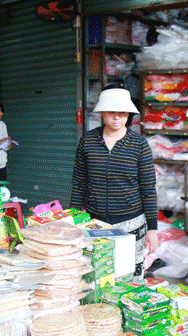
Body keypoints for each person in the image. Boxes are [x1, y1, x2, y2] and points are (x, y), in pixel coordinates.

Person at [70, 87, 158, 278]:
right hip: (96, 223)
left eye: (122, 113)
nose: (117, 118)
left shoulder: (139, 144)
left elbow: (148, 188)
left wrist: (152, 228)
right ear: (102, 113)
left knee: (129, 278)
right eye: (111, 112)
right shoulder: (88, 141)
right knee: (98, 277)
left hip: (131, 223)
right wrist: (75, 218)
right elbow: (79, 183)